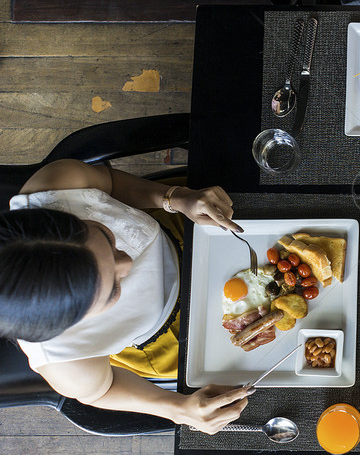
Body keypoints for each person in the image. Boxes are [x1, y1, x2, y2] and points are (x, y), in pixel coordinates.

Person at [0, 159, 250, 434]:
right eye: (112, 291)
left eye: (108, 239)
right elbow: (102, 390)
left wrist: (175, 198)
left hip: (180, 224)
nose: (128, 264)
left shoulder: (57, 183)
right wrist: (178, 409)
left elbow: (109, 182)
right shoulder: (64, 361)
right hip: (171, 336)